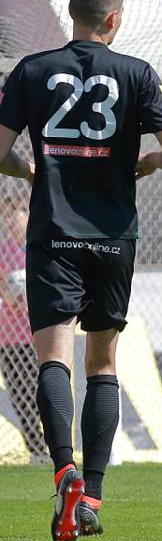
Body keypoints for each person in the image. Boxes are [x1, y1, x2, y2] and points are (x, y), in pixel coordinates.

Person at [0, 0, 162, 541]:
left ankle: (63, 471)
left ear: (72, 11)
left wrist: (28, 169)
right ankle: (94, 499)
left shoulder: (32, 70)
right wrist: (148, 163)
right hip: (113, 239)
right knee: (101, 364)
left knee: (52, 360)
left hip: (53, 234)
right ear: (114, 18)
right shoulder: (136, 72)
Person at [0, 194, 47, 462]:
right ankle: (36, 450)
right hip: (9, 336)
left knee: (41, 389)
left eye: (13, 213)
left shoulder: (39, 247)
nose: (8, 220)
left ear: (26, 215)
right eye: (4, 215)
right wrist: (10, 295)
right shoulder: (3, 251)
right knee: (19, 394)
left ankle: (54, 446)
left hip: (37, 335)